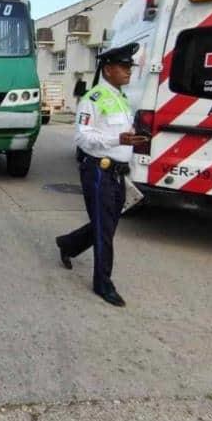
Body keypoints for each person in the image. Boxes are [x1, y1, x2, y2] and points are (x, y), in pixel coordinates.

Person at [55, 42, 149, 307]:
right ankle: (103, 283)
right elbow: (83, 138)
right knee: (105, 229)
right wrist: (117, 138)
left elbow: (122, 137)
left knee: (106, 223)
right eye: (123, 66)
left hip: (118, 173)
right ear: (108, 70)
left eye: (129, 66)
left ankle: (68, 244)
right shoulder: (93, 99)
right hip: (99, 170)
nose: (128, 71)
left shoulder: (121, 97)